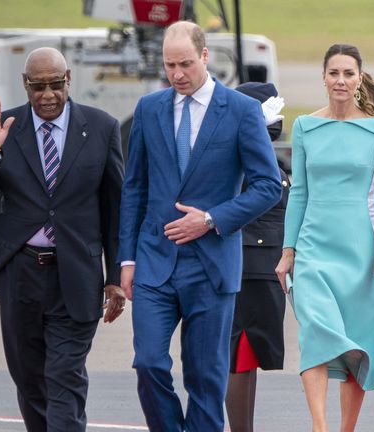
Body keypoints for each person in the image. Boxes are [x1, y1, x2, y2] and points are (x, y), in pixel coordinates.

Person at [118, 21, 282, 432]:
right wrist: (126, 259)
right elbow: (134, 188)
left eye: (186, 64)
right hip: (155, 262)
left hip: (211, 266)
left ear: (205, 57)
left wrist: (210, 219)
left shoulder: (241, 111)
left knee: (206, 378)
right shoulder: (150, 108)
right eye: (170, 65)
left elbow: (268, 187)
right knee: (148, 363)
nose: (177, 74)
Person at [0, 47, 125, 431]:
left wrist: (115, 276)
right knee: (30, 381)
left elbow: (116, 210)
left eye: (56, 84)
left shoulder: (101, 127)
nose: (48, 95)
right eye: (38, 87)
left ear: (69, 80)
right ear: (25, 85)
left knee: (65, 380)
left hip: (77, 276)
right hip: (20, 276)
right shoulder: (6, 127)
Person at [275, 43, 374, 432]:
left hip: (359, 250)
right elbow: (299, 191)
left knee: (356, 339)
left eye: (348, 73)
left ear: (359, 78)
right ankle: (319, 426)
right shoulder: (306, 126)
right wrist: (288, 250)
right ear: (323, 78)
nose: (340, 80)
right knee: (315, 331)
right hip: (313, 247)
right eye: (334, 73)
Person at [226, 81, 289, 432]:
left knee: (246, 356)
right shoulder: (245, 151)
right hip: (251, 266)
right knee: (239, 354)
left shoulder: (256, 149)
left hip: (262, 265)